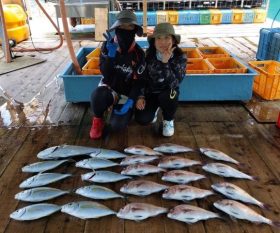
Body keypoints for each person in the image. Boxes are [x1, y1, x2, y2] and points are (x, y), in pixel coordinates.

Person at [89, 10, 146, 139]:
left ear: (135, 29)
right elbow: (106, 74)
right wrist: (110, 56)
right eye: (122, 26)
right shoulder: (107, 45)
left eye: (130, 26)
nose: (126, 29)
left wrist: (131, 100)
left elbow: (139, 81)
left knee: (117, 126)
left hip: (127, 93)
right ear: (116, 28)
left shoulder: (139, 53)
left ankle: (125, 110)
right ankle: (98, 119)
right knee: (97, 96)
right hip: (110, 88)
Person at [135, 22, 186, 137]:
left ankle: (168, 120)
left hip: (168, 93)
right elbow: (142, 78)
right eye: (158, 38)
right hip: (151, 93)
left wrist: (165, 63)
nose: (162, 42)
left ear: (173, 40)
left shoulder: (180, 57)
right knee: (142, 119)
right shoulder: (148, 56)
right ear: (154, 41)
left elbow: (174, 83)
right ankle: (155, 109)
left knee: (169, 95)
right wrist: (141, 96)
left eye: (167, 37)